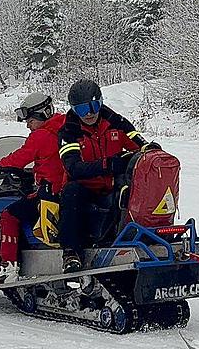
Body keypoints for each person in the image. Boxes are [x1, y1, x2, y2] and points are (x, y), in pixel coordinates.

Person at [57, 79, 159, 272]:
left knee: (134, 189)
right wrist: (108, 164)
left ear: (101, 102)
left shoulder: (115, 121)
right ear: (74, 110)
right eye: (82, 110)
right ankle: (71, 252)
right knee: (71, 192)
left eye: (93, 106)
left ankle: (148, 236)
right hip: (85, 187)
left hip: (112, 185)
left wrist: (150, 149)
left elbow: (138, 142)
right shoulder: (68, 132)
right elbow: (73, 168)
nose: (89, 113)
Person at [0, 92, 67, 285]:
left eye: (30, 121)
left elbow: (22, 156)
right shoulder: (64, 126)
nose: (28, 125)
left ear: (43, 114)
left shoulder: (41, 135)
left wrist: (0, 164)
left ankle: (8, 267)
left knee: (9, 215)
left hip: (50, 192)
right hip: (66, 189)